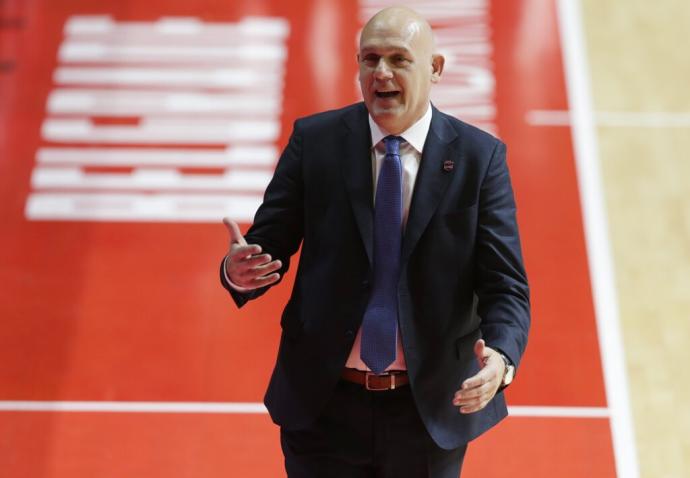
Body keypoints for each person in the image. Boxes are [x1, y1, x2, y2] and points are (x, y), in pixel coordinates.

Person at [220, 6, 530, 477]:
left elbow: (505, 285)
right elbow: (268, 245)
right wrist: (239, 273)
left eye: (398, 59)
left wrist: (502, 359)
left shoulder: (478, 158)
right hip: (323, 404)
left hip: (426, 411)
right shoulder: (316, 141)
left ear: (435, 69)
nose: (380, 73)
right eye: (369, 59)